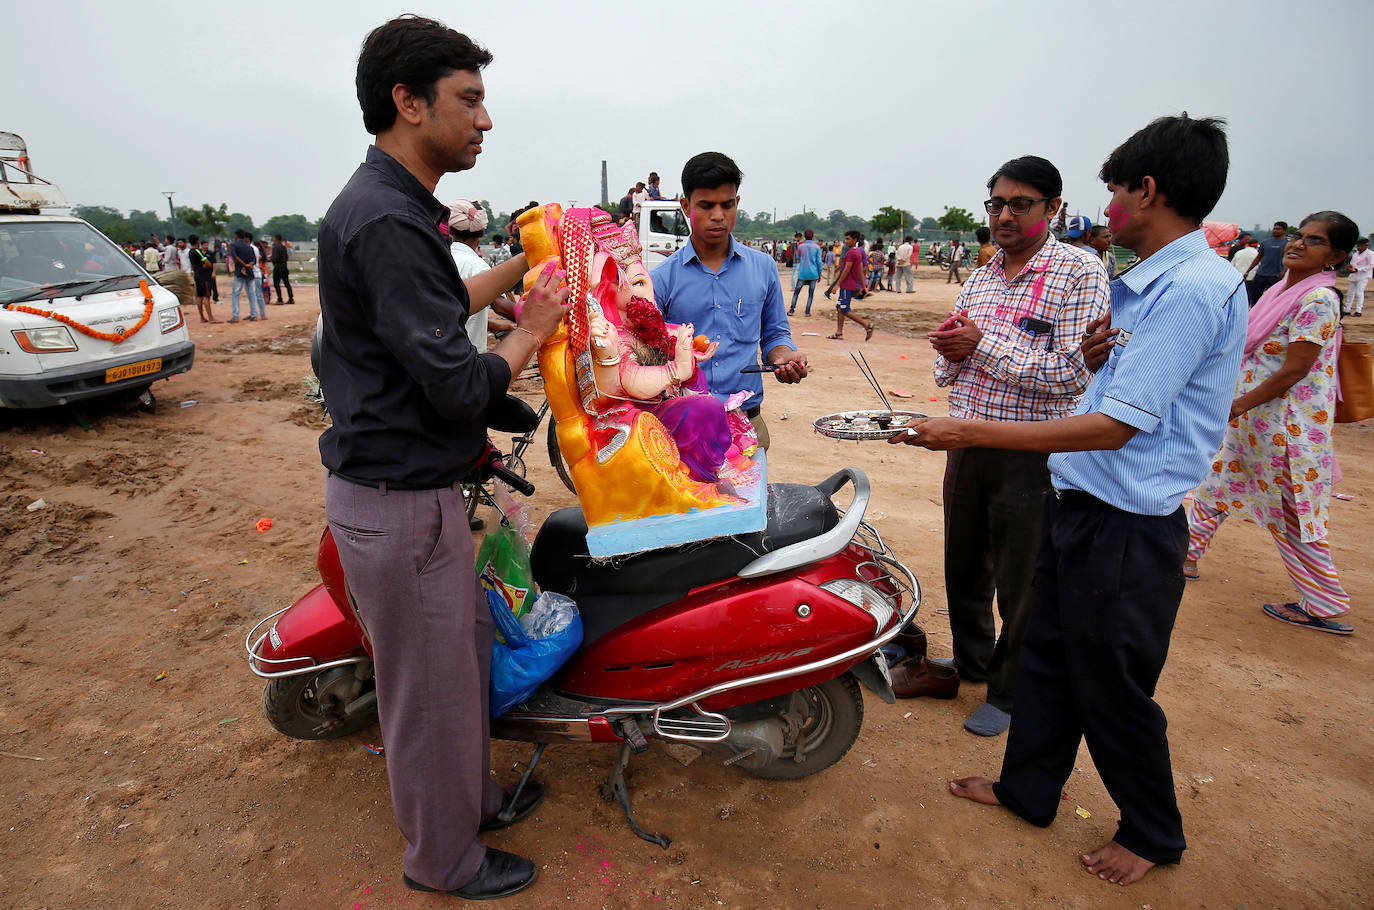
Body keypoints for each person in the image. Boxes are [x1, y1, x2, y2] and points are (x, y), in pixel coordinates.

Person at [895, 114, 1247, 887]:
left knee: (1111, 683)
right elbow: (1113, 388)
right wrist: (1096, 360)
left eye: (1116, 189)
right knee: (1050, 658)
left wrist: (969, 430)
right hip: (1079, 504)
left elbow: (1119, 426)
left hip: (1126, 522)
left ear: (1146, 190)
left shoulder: (1189, 288)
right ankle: (1029, 788)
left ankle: (1153, 830)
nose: (1111, 205)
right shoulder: (1146, 285)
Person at [318, 16, 570, 900]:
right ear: (408, 101)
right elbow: (462, 386)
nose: (485, 121)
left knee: (457, 665)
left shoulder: (392, 208)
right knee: (428, 695)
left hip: (417, 496)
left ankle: (472, 802)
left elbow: (439, 303)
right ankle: (442, 860)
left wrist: (524, 271)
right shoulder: (385, 217)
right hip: (401, 499)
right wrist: (536, 330)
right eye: (469, 101)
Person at [915, 155, 1108, 738]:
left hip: (1033, 450)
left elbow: (1071, 377)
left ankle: (1010, 688)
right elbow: (951, 366)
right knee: (964, 562)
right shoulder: (980, 275)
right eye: (996, 203)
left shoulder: (1079, 272)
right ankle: (973, 663)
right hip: (966, 441)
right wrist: (950, 352)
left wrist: (981, 347)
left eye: (1019, 204)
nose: (1004, 214)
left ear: (1053, 209)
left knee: (1022, 579)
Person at [1185, 211, 1358, 634]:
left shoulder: (1318, 299)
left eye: (1314, 241)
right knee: (1216, 485)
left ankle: (1324, 601)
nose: (1298, 243)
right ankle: (1183, 555)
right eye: (1299, 235)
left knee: (1291, 512)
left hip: (1287, 430)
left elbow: (1295, 369)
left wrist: (1238, 404)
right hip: (1255, 424)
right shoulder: (1283, 289)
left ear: (1334, 256)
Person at [653, 151, 808, 451]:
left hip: (748, 426)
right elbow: (648, 354)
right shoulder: (661, 279)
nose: (718, 216)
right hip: (683, 429)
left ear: (737, 202)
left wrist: (782, 359)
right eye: (706, 206)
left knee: (753, 499)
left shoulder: (763, 268)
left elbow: (775, 334)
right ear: (686, 207)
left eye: (727, 204)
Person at [823, 229, 875, 341]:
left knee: (845, 309)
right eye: (845, 239)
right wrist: (863, 286)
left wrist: (837, 284)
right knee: (840, 308)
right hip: (850, 284)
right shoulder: (858, 252)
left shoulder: (851, 253)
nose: (845, 241)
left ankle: (867, 325)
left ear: (855, 240)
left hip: (847, 285)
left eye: (848, 239)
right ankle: (839, 332)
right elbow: (861, 269)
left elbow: (846, 270)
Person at [1245, 221, 1290, 304]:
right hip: (1261, 273)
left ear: (1284, 231)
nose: (1275, 231)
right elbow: (1258, 258)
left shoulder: (1287, 244)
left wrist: (1284, 271)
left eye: (1278, 229)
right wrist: (1248, 270)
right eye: (1274, 229)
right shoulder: (1265, 243)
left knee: (1270, 298)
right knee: (1254, 296)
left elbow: (1289, 258)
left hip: (1275, 275)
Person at [227, 229, 263, 324]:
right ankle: (254, 314)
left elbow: (235, 257)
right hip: (250, 272)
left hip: (240, 272)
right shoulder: (249, 247)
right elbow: (254, 260)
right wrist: (248, 265)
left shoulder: (234, 245)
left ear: (236, 236)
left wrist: (243, 265)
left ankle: (235, 316)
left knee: (235, 294)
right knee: (252, 294)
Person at [789, 228, 822, 316]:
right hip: (813, 273)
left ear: (804, 236)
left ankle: (792, 310)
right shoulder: (816, 247)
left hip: (803, 273)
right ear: (813, 236)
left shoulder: (800, 246)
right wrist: (820, 273)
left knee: (796, 292)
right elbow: (819, 261)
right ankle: (807, 312)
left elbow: (798, 257)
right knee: (811, 294)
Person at [188, 235, 218, 323]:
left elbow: (193, 266)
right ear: (197, 242)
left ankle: (202, 317)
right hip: (204, 277)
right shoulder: (198, 251)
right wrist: (205, 265)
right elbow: (208, 263)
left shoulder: (190, 252)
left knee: (199, 297)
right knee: (207, 296)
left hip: (197, 275)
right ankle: (211, 318)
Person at [1346, 236, 1371, 316]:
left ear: (1366, 245)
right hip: (1354, 275)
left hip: (1364, 276)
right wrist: (1351, 268)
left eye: (1361, 246)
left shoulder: (1370, 254)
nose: (1359, 247)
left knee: (1359, 293)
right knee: (1350, 293)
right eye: (1358, 245)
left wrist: (1359, 270)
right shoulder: (1355, 254)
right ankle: (1347, 309)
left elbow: (1371, 265)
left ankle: (1358, 311)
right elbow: (1352, 264)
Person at [271, 234, 294, 305]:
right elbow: (286, 257)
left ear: (276, 239)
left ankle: (280, 299)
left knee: (276, 284)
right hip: (284, 267)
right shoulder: (284, 247)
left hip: (278, 268)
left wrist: (271, 259)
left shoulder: (275, 247)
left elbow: (275, 258)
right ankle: (291, 298)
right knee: (287, 283)